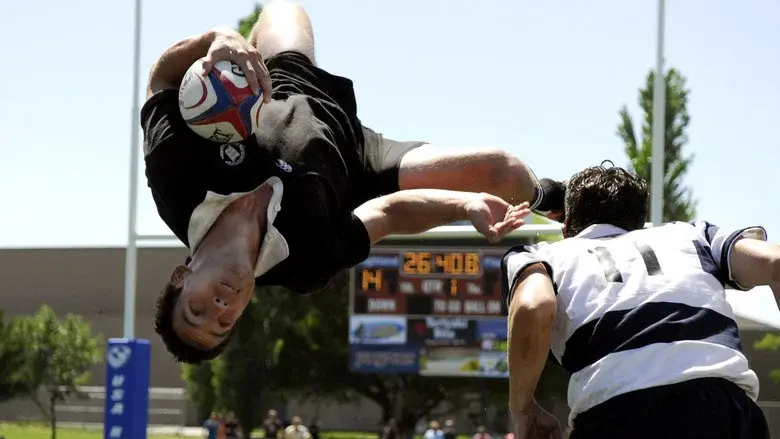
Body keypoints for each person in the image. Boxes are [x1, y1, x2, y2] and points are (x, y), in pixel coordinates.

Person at [143, 0, 566, 364]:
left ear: (182, 274)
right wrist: (464, 206)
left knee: (284, 8)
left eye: (197, 310)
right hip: (363, 162)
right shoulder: (305, 263)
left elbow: (160, 80)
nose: (219, 307)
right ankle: (553, 200)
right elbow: (386, 213)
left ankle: (250, 60)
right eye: (223, 322)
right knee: (501, 172)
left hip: (289, 82)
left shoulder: (176, 184)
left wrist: (217, 40)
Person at [501, 163, 776, 439]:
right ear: (641, 220)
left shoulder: (542, 255)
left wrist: (522, 408)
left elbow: (532, 306)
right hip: (728, 409)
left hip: (621, 413)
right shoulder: (693, 234)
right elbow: (774, 263)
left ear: (565, 227)